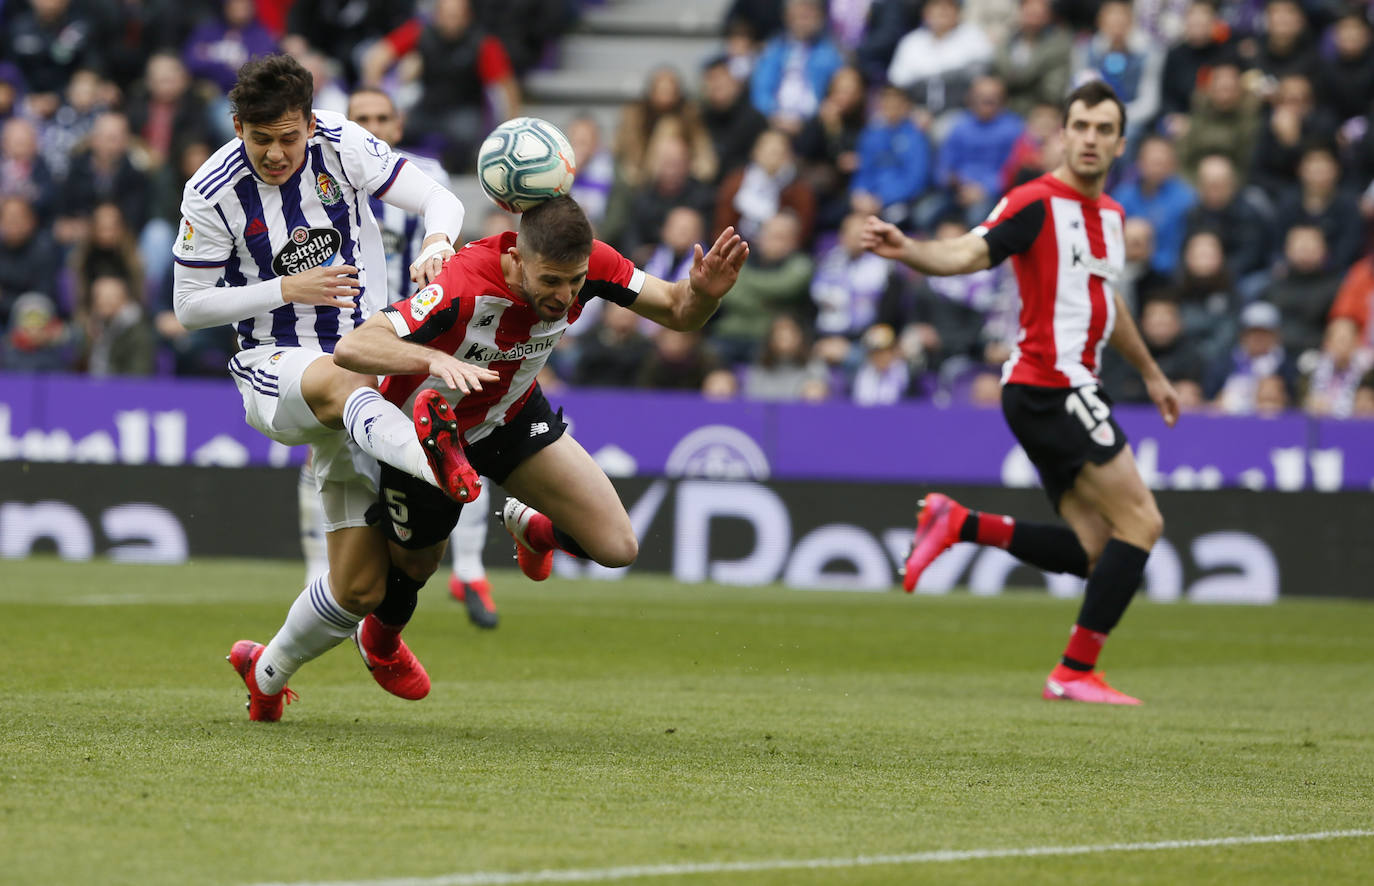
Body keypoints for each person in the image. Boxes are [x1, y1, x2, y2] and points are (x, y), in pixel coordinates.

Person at [172, 54, 486, 721]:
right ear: (237, 127)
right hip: (276, 368)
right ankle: (443, 462)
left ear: (309, 123)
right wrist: (286, 288)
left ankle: (266, 672)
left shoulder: (342, 143)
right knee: (348, 382)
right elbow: (189, 307)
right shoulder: (212, 188)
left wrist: (437, 240)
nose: (276, 153)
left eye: (288, 137)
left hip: (362, 372)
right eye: (261, 140)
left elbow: (442, 198)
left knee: (359, 588)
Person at [862, 81, 1181, 706]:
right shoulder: (1035, 201)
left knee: (1097, 549)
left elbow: (1105, 299)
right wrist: (911, 251)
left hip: (1061, 388)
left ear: (1120, 144)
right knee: (1143, 521)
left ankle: (960, 523)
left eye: (1104, 129)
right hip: (1050, 385)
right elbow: (971, 252)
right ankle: (1074, 672)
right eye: (1080, 126)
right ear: (1063, 134)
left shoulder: (1112, 217)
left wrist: (1150, 371)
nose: (1090, 138)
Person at [331, 197, 748, 623]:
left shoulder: (596, 262)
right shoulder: (462, 281)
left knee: (618, 547)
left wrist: (703, 295)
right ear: (517, 259)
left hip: (510, 416)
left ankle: (533, 529)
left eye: (575, 281)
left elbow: (679, 310)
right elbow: (353, 347)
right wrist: (433, 359)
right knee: (415, 566)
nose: (565, 296)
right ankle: (381, 641)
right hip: (430, 434)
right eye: (550, 280)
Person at [338, 85, 498, 629]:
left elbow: (446, 249)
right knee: (340, 456)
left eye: (382, 117)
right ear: (345, 126)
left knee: (459, 441)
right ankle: (334, 576)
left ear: (398, 125)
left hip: (420, 331)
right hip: (354, 337)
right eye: (362, 118)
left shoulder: (424, 178)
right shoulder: (323, 181)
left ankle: (470, 570)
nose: (374, 127)